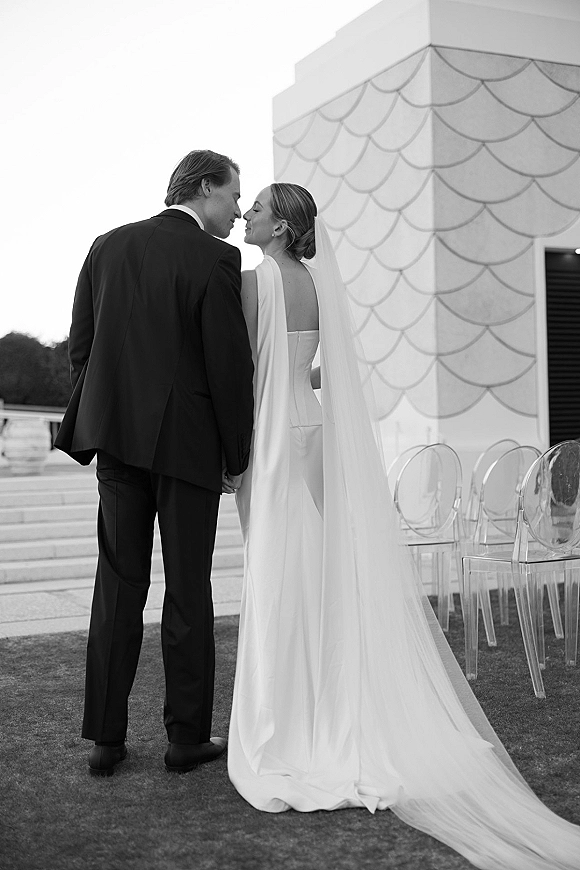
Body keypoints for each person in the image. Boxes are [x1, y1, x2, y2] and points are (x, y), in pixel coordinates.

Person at [227, 182, 580, 869]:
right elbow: (321, 371)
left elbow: (241, 370)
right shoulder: (316, 283)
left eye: (259, 208)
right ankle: (328, 703)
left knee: (275, 571)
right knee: (315, 568)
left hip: (271, 439)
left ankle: (287, 724)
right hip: (313, 431)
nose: (248, 213)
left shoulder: (255, 281)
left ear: (279, 228)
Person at [55, 150, 254, 776]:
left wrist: (100, 417)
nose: (239, 210)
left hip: (115, 445)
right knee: (189, 591)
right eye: (232, 195)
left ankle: (106, 740)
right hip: (188, 449)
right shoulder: (217, 259)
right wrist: (237, 454)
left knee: (116, 587)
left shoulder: (106, 245)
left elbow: (81, 346)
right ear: (202, 189)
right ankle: (185, 738)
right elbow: (227, 366)